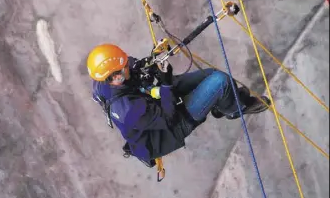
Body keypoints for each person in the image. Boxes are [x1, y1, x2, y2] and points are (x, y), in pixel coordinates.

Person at [87, 43, 270, 165]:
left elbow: (134, 66)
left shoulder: (103, 78)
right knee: (220, 81)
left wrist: (153, 58)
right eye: (124, 66)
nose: (128, 64)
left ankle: (221, 104)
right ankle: (234, 110)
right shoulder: (128, 111)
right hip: (169, 129)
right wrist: (165, 83)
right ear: (116, 77)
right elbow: (169, 118)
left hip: (152, 100)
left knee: (210, 75)